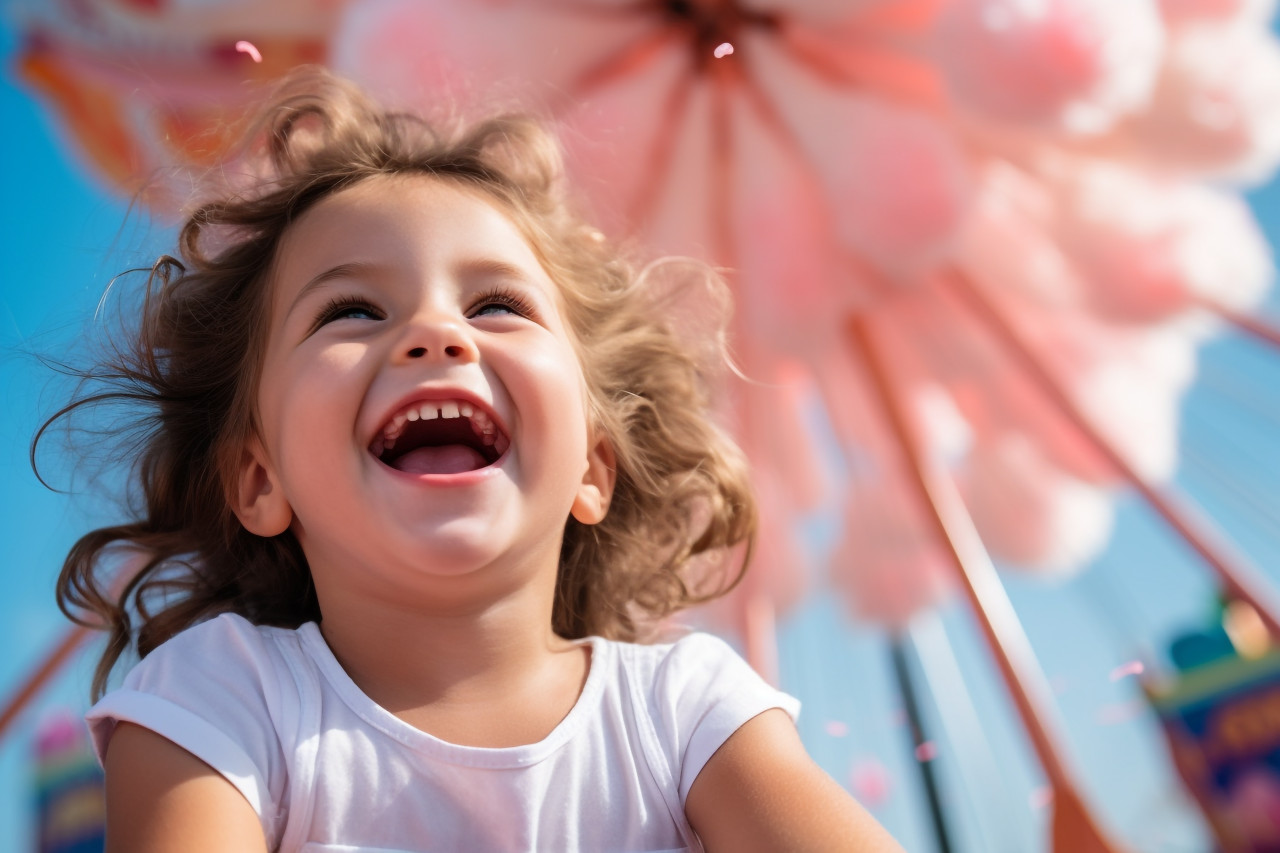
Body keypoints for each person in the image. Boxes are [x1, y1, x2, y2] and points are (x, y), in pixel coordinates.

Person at [42, 67, 905, 852]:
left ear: (592, 469)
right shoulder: (221, 700)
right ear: (259, 479)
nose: (434, 333)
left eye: (497, 303)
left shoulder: (684, 712)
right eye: (349, 311)